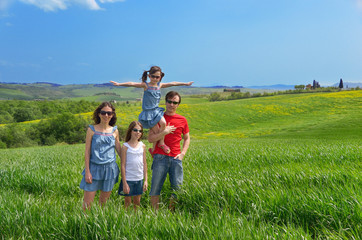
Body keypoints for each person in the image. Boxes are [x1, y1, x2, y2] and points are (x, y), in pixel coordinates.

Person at [110, 66, 193, 156]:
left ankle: (161, 144)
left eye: (157, 77)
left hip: (156, 111)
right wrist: (119, 84)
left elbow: (173, 83)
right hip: (148, 113)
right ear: (149, 76)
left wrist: (185, 84)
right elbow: (132, 83)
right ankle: (154, 149)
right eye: (153, 76)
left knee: (163, 124)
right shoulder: (146, 85)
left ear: (160, 77)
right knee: (157, 132)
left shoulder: (159, 85)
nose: (155, 79)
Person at [147, 91, 190, 210]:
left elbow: (187, 138)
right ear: (165, 102)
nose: (171, 104)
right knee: (155, 188)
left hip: (176, 158)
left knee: (177, 188)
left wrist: (182, 154)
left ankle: (172, 214)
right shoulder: (158, 118)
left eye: (174, 102)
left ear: (178, 105)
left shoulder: (182, 120)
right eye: (169, 102)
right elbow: (150, 139)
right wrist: (164, 132)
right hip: (160, 158)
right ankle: (155, 215)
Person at [79, 102, 121, 211]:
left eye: (109, 113)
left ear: (112, 115)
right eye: (103, 112)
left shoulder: (114, 131)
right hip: (94, 169)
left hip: (110, 169)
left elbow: (120, 150)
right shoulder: (91, 130)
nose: (106, 115)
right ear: (99, 114)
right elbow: (87, 152)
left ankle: (98, 224)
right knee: (87, 205)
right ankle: (84, 225)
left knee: (103, 204)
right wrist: (87, 171)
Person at [118, 121, 148, 210]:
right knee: (127, 202)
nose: (138, 133)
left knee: (137, 202)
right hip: (128, 179)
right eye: (135, 130)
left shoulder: (142, 146)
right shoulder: (125, 146)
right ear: (130, 131)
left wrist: (145, 180)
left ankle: (136, 220)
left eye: (140, 131)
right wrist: (124, 183)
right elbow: (122, 165)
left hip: (139, 178)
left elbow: (144, 163)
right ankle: (127, 220)